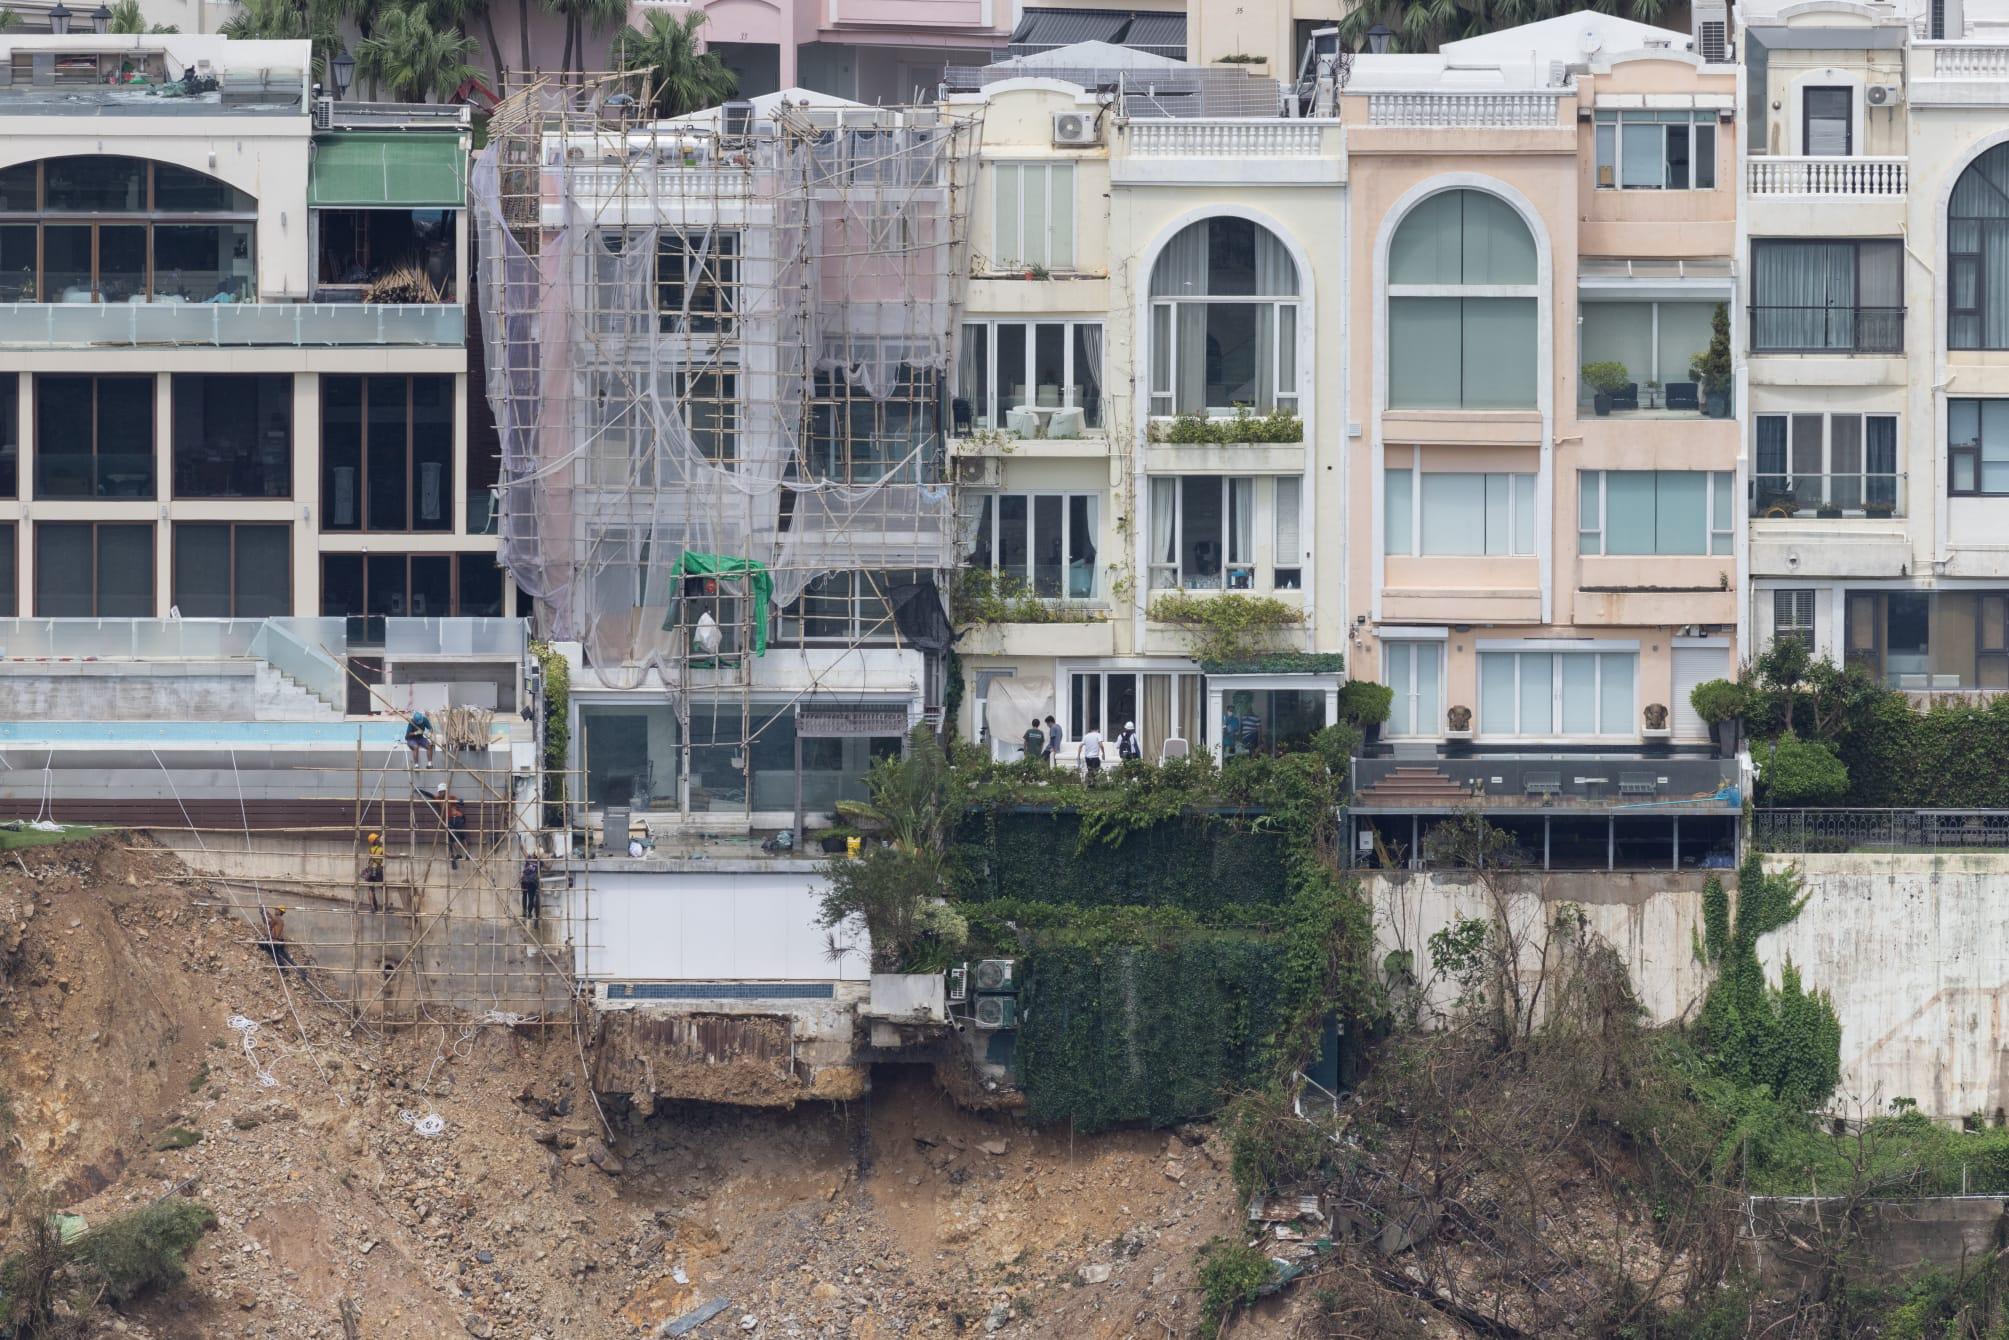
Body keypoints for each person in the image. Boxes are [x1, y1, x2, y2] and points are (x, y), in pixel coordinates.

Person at [437, 784, 467, 870]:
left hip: (456, 818)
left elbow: (460, 802)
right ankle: (454, 855)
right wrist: (420, 791)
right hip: (448, 820)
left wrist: (460, 801)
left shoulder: (451, 798)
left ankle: (462, 853)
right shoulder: (438, 799)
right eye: (439, 792)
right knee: (451, 839)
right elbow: (431, 795)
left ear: (445, 791)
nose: (439, 793)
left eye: (441, 792)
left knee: (458, 837)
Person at [261, 905, 298, 974]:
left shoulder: (277, 919)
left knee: (274, 955)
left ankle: (283, 969)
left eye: (277, 910)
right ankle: (299, 970)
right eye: (275, 909)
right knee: (287, 957)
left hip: (276, 941)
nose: (275, 910)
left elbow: (270, 924)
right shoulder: (280, 920)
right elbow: (272, 921)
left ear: (280, 911)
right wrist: (267, 913)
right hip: (280, 941)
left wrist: (264, 914)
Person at [363, 830, 385, 911]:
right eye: (377, 838)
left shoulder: (371, 849)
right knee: (384, 887)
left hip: (371, 869)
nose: (379, 839)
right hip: (377, 869)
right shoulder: (380, 849)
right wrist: (399, 856)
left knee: (371, 889)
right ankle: (385, 907)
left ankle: (372, 907)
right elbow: (388, 855)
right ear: (375, 840)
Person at [520, 857, 541, 924]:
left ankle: (525, 911)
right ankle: (529, 913)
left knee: (525, 895)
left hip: (525, 880)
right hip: (532, 882)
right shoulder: (540, 861)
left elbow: (523, 850)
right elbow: (548, 867)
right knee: (530, 897)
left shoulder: (529, 858)